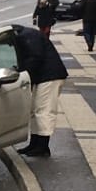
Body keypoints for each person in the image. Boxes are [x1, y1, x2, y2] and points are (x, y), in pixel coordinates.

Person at [11, 23, 70, 158]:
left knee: (43, 110)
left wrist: (22, 74)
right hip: (43, 77)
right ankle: (34, 143)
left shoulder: (27, 37)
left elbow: (35, 58)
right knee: (35, 110)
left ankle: (43, 146)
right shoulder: (27, 35)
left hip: (50, 77)